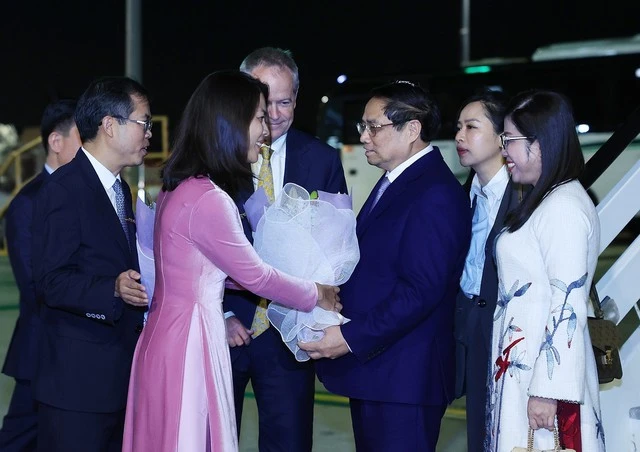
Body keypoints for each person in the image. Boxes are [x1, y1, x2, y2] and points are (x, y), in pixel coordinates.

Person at [121, 70, 341, 451]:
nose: (265, 130)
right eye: (258, 118)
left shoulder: (179, 186)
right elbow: (256, 276)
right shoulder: (209, 198)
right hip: (191, 342)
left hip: (167, 336)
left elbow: (220, 271)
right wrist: (317, 293)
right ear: (232, 123)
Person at [302, 80, 472, 451]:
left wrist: (349, 337)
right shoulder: (397, 182)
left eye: (373, 126)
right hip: (380, 373)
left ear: (412, 129)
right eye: (362, 126)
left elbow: (421, 291)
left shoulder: (434, 193)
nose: (364, 136)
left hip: (405, 378)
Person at [223, 46, 348, 451]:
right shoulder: (215, 158)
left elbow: (335, 248)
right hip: (224, 328)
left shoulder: (321, 160)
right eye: (265, 103)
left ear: (297, 98)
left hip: (289, 332)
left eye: (285, 101)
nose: (274, 114)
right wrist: (220, 312)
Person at [30, 77, 150, 452]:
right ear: (110, 125)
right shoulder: (63, 189)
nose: (149, 133)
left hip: (118, 378)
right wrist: (111, 288)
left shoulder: (120, 190)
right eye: (143, 122)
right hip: (76, 387)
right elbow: (50, 281)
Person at [486, 90, 604, 451]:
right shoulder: (547, 199)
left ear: (540, 143)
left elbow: (568, 304)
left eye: (509, 139)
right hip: (525, 368)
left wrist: (547, 391)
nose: (504, 149)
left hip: (541, 384)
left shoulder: (563, 207)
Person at [0, 99, 81, 452]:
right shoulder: (28, 203)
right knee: (20, 438)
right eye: (83, 137)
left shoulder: (84, 195)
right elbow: (34, 286)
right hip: (43, 351)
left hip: (78, 350)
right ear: (56, 142)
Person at [451, 90, 526, 451]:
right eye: (458, 127)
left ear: (501, 138)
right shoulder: (460, 195)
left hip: (504, 331)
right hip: (464, 324)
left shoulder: (525, 198)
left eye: (471, 127)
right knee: (476, 430)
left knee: (505, 429)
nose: (459, 136)